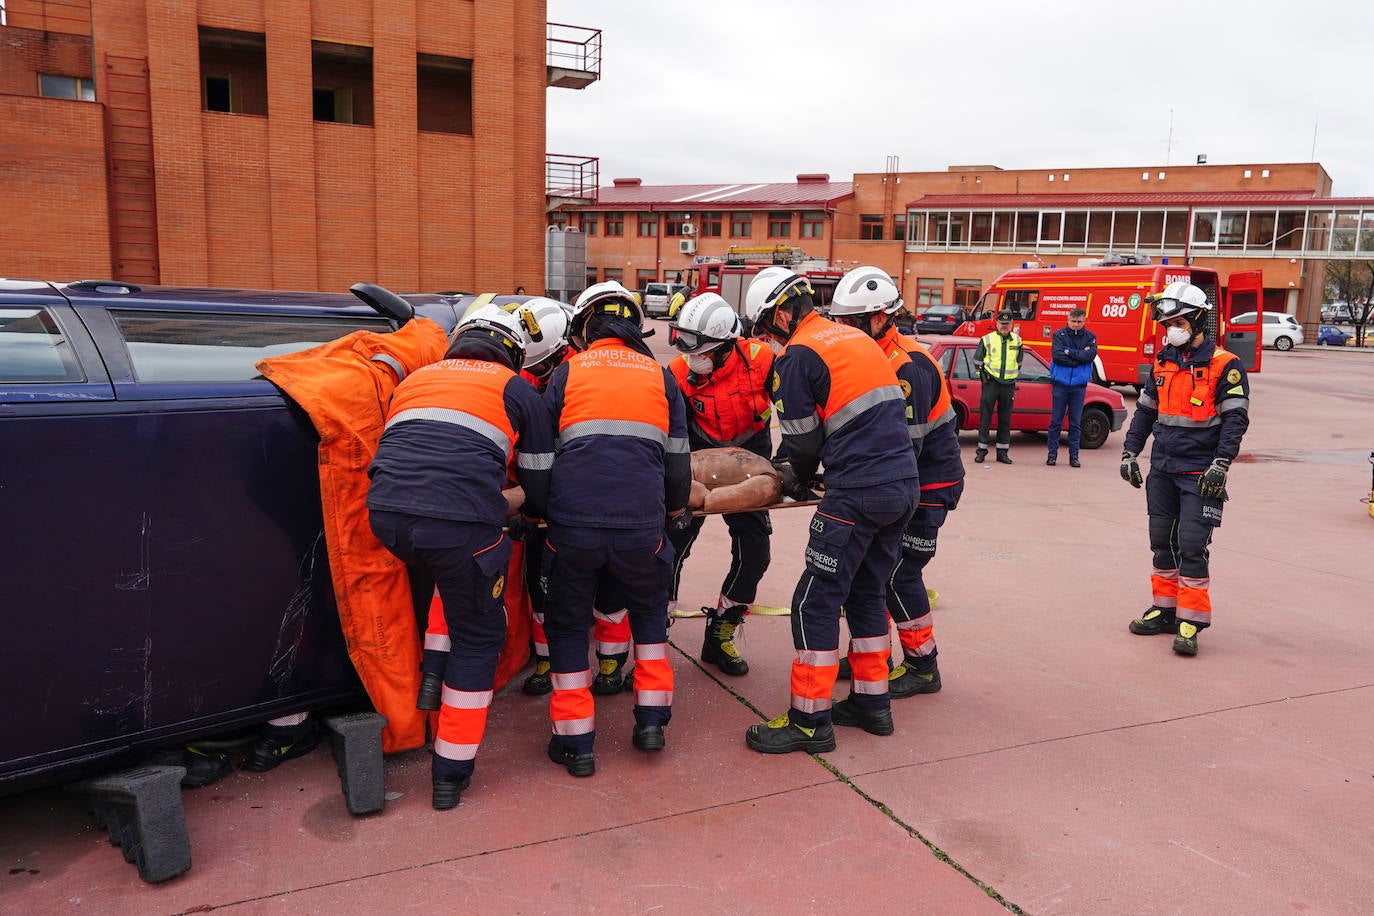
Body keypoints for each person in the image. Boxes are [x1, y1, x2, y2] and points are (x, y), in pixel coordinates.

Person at [367, 304, 553, 809]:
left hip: (385, 517)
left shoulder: (419, 378)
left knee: (451, 579)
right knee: (479, 636)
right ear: (513, 352)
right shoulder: (516, 389)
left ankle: (432, 676)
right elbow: (538, 477)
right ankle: (450, 772)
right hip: (455, 525)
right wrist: (526, 513)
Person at [740, 267, 919, 754]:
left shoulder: (798, 355)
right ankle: (871, 704)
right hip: (902, 487)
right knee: (866, 594)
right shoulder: (855, 339)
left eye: (764, 330)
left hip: (856, 493)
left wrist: (787, 475)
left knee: (812, 603)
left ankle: (808, 721)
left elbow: (801, 442)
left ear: (781, 314)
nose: (766, 341)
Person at [541, 281, 692, 776]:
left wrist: (540, 513)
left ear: (584, 326)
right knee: (649, 618)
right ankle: (652, 721)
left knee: (567, 625)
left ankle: (576, 743)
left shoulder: (567, 372)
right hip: (641, 528)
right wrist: (670, 516)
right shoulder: (660, 375)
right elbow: (677, 463)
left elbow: (539, 456)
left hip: (573, 528)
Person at [827, 267, 964, 697]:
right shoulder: (872, 356)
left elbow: (910, 443)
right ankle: (877, 656)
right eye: (840, 322)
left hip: (926, 487)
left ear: (883, 317)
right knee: (875, 571)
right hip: (902, 485)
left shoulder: (908, 364)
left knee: (898, 575)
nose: (845, 330)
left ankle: (923, 666)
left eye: (853, 322)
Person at [506, 299, 636, 699]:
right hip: (545, 503)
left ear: (568, 346)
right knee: (543, 588)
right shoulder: (525, 380)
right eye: (534, 367)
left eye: (545, 366)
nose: (540, 374)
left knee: (612, 587)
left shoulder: (590, 373)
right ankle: (546, 660)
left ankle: (611, 663)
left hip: (592, 498)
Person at [1119, 281, 1249, 657]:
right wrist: (1130, 453)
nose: (1169, 329)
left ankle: (1190, 620)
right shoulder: (1162, 361)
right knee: (1162, 542)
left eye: (1175, 321)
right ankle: (1165, 610)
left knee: (1191, 546)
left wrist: (1221, 464)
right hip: (1162, 468)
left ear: (1195, 320)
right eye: (1165, 323)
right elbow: (1144, 412)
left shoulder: (1225, 364)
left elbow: (1235, 419)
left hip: (1199, 471)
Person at [664, 292, 775, 676]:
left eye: (702, 352)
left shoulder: (762, 362)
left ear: (727, 346)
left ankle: (721, 631)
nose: (692, 359)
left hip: (750, 456)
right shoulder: (678, 373)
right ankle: (653, 640)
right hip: (695, 456)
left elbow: (798, 407)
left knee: (755, 551)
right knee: (670, 550)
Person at [1047, 307, 1098, 467]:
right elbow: (1058, 356)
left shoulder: (1090, 337)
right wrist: (1079, 356)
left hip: (1078, 386)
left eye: (1079, 322)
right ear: (1068, 320)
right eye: (1073, 321)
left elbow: (1090, 356)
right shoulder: (1059, 335)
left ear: (1084, 321)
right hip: (1060, 385)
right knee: (1056, 422)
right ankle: (1052, 455)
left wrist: (1070, 352)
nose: (1076, 324)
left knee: (1075, 423)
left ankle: (1074, 457)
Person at [972, 310, 1023, 465]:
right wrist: (982, 377)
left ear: (1011, 324)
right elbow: (977, 361)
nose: (1004, 326)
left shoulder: (1017, 340)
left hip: (1008, 385)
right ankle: (981, 451)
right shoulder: (987, 339)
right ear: (997, 323)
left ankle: (1002, 453)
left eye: (1007, 324)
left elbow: (1019, 362)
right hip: (991, 384)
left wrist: (1012, 377)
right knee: (985, 418)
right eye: (1002, 323)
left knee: (1005, 420)